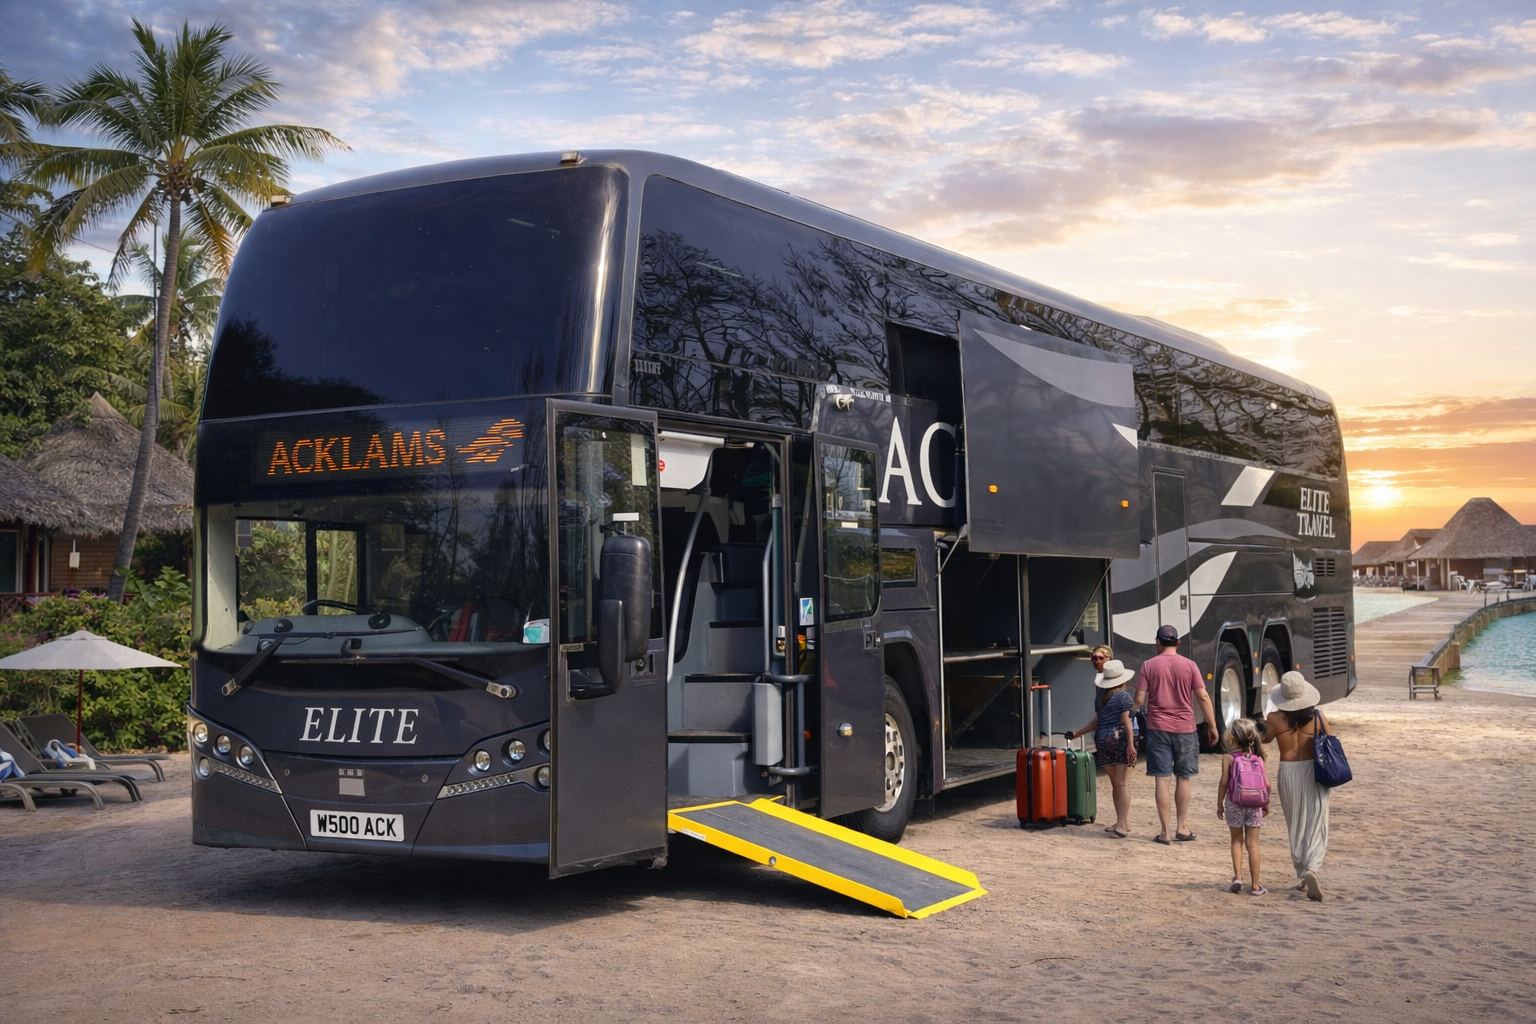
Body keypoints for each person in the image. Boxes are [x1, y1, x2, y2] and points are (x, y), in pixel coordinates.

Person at [1133, 624, 1218, 845]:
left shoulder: (1148, 666)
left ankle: (1165, 832)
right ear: (1178, 643)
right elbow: (1203, 697)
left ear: (1157, 643)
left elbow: (1139, 700)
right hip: (1185, 729)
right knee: (1183, 777)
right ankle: (1182, 827)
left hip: (1158, 728)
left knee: (1162, 779)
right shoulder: (1190, 665)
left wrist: (1130, 713)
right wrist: (1212, 725)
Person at [1262, 671, 1332, 902]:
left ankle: (1303, 872)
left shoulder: (1274, 718)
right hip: (1314, 771)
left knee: (1296, 822)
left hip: (1289, 771)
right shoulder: (1319, 717)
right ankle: (1311, 869)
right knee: (1316, 821)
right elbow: (1332, 742)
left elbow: (1265, 740)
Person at [1065, 658, 1137, 838]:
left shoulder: (1100, 699)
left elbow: (1096, 722)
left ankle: (1122, 821)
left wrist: (1077, 733)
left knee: (1115, 784)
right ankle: (1121, 824)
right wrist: (1131, 744)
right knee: (1124, 783)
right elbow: (1126, 721)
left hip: (1102, 740)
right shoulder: (1125, 697)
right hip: (1119, 737)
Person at [1216, 718, 1270, 895]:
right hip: (1255, 805)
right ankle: (1255, 885)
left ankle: (1238, 876)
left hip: (1234, 802)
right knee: (1253, 844)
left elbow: (1224, 782)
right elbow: (1267, 784)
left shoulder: (1229, 757)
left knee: (1236, 840)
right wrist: (1265, 803)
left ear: (1232, 737)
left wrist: (1220, 804)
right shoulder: (1258, 759)